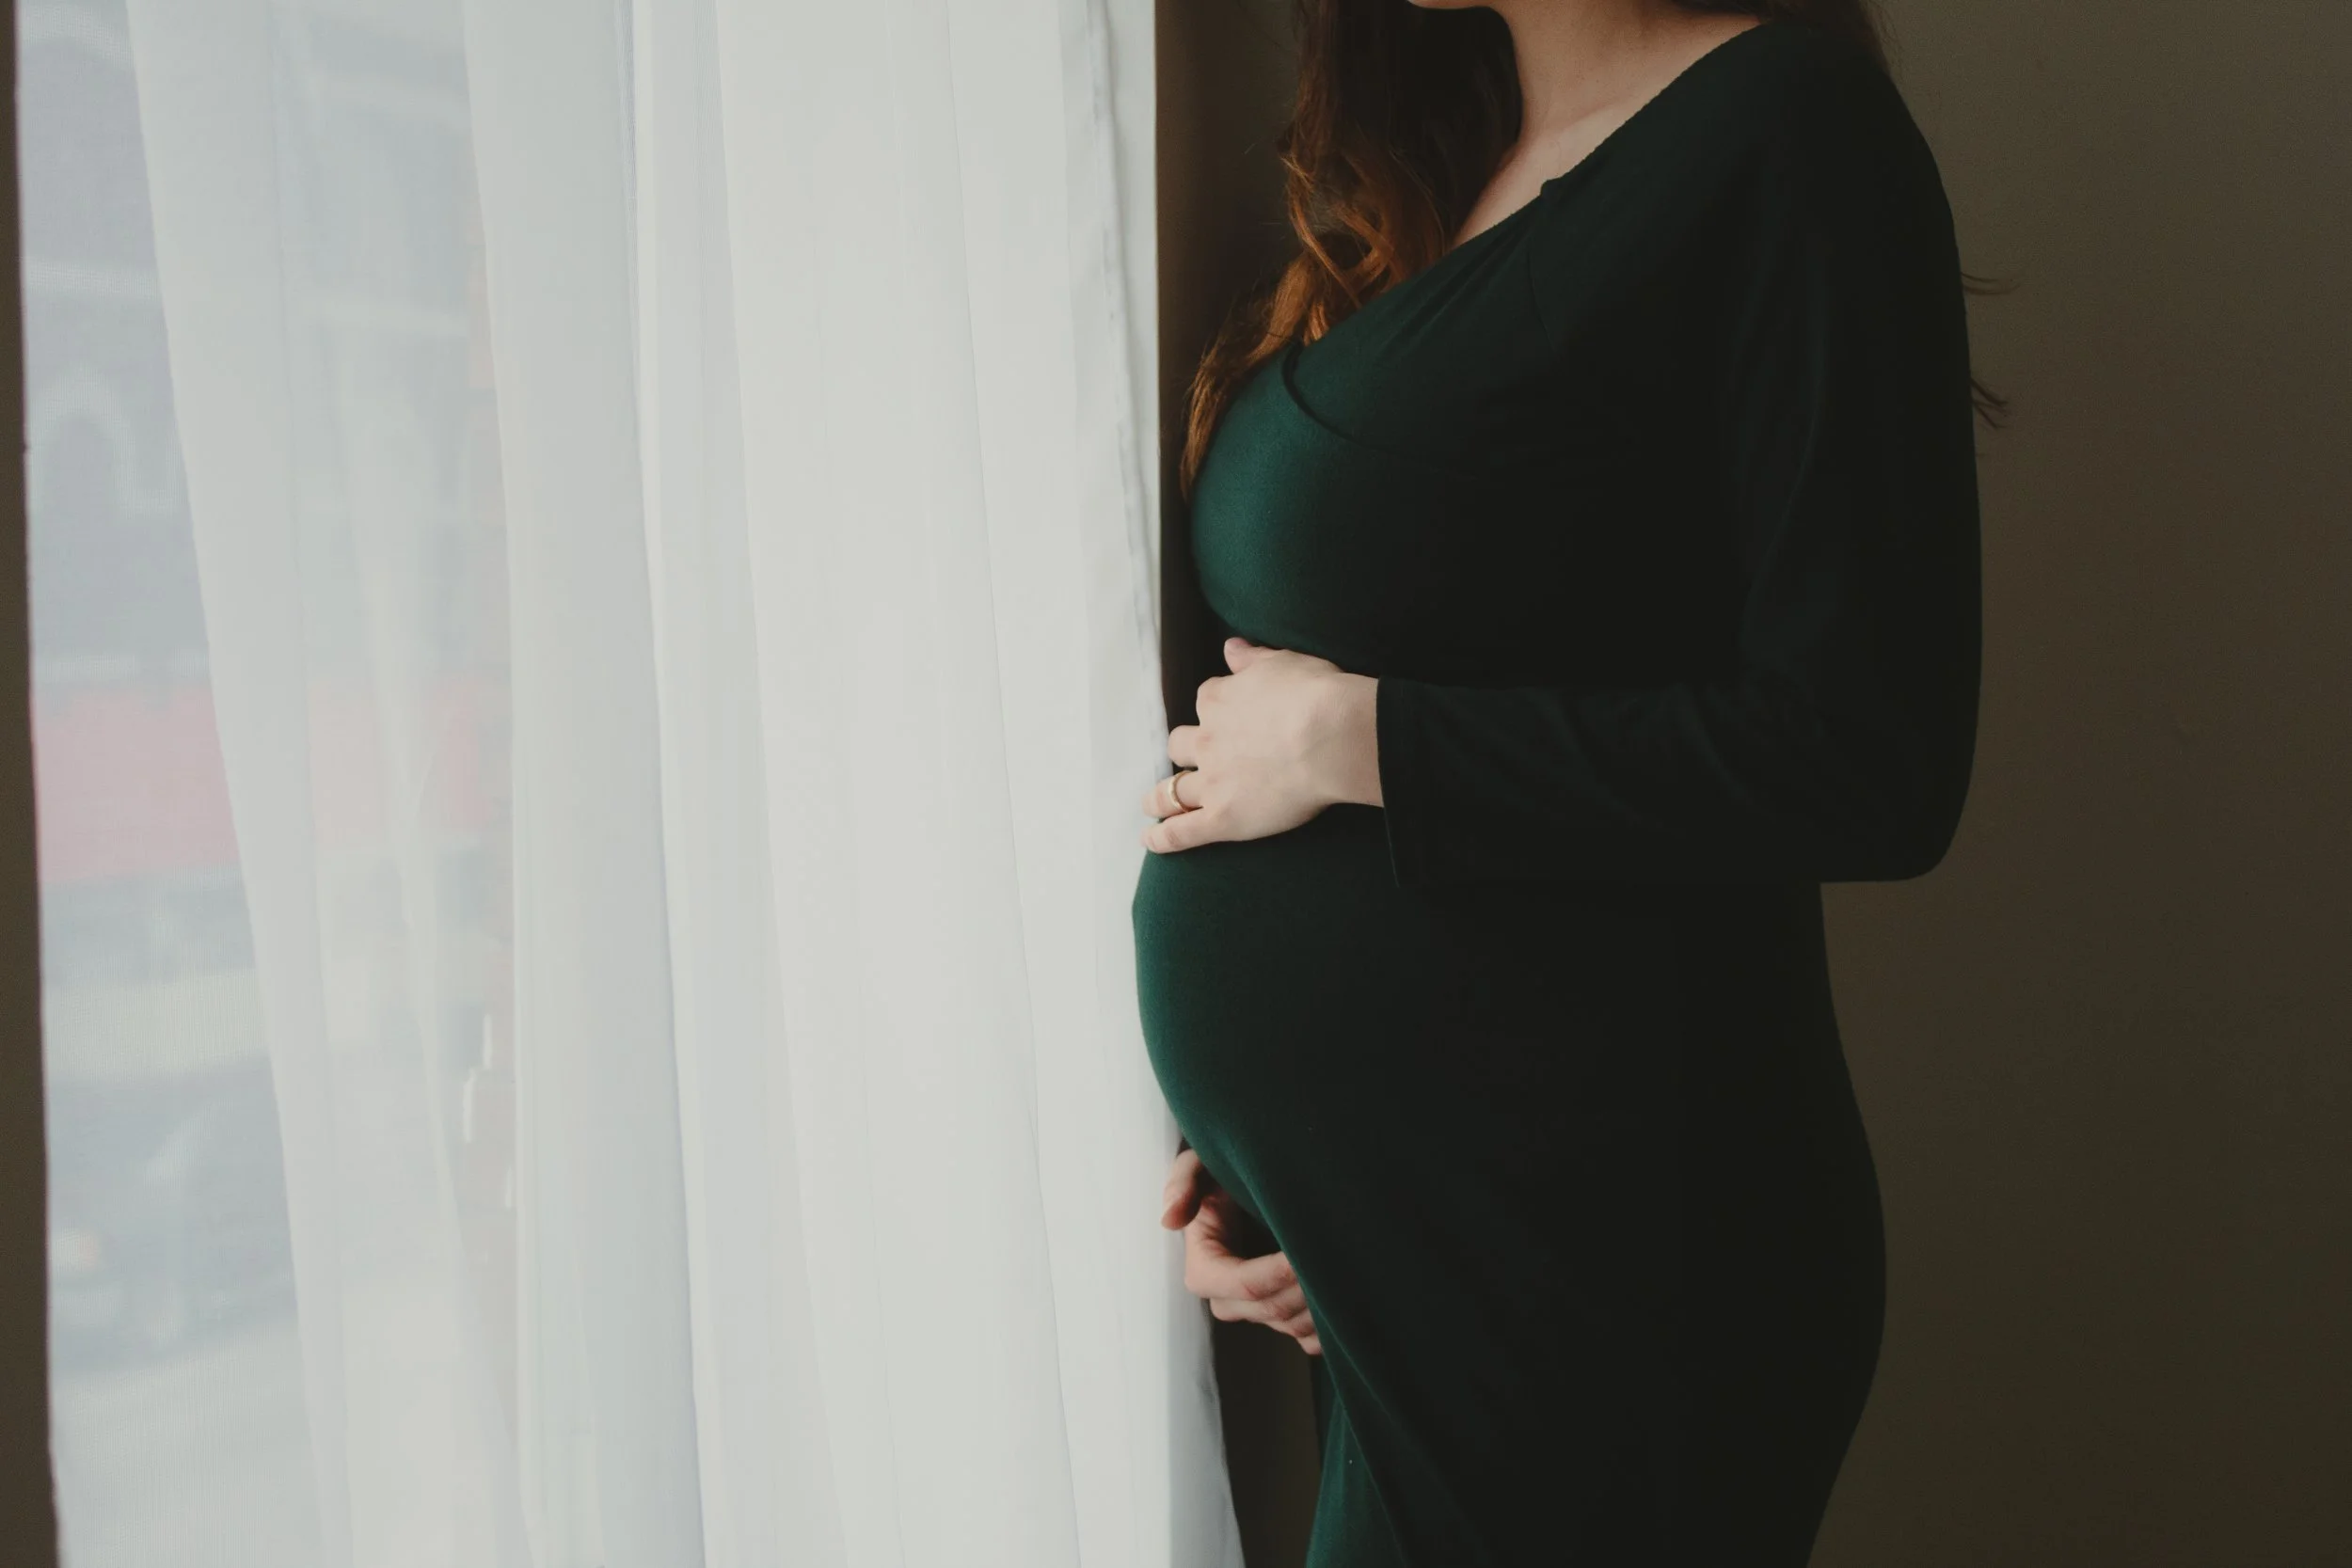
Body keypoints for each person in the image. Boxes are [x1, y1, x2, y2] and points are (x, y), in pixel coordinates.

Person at [1130, 1, 1986, 1562]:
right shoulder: (1428, 174)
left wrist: (1362, 742)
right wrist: (1271, 1175)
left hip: (1599, 1244)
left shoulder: (1793, 132)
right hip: (1404, 1260)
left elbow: (1872, 752)